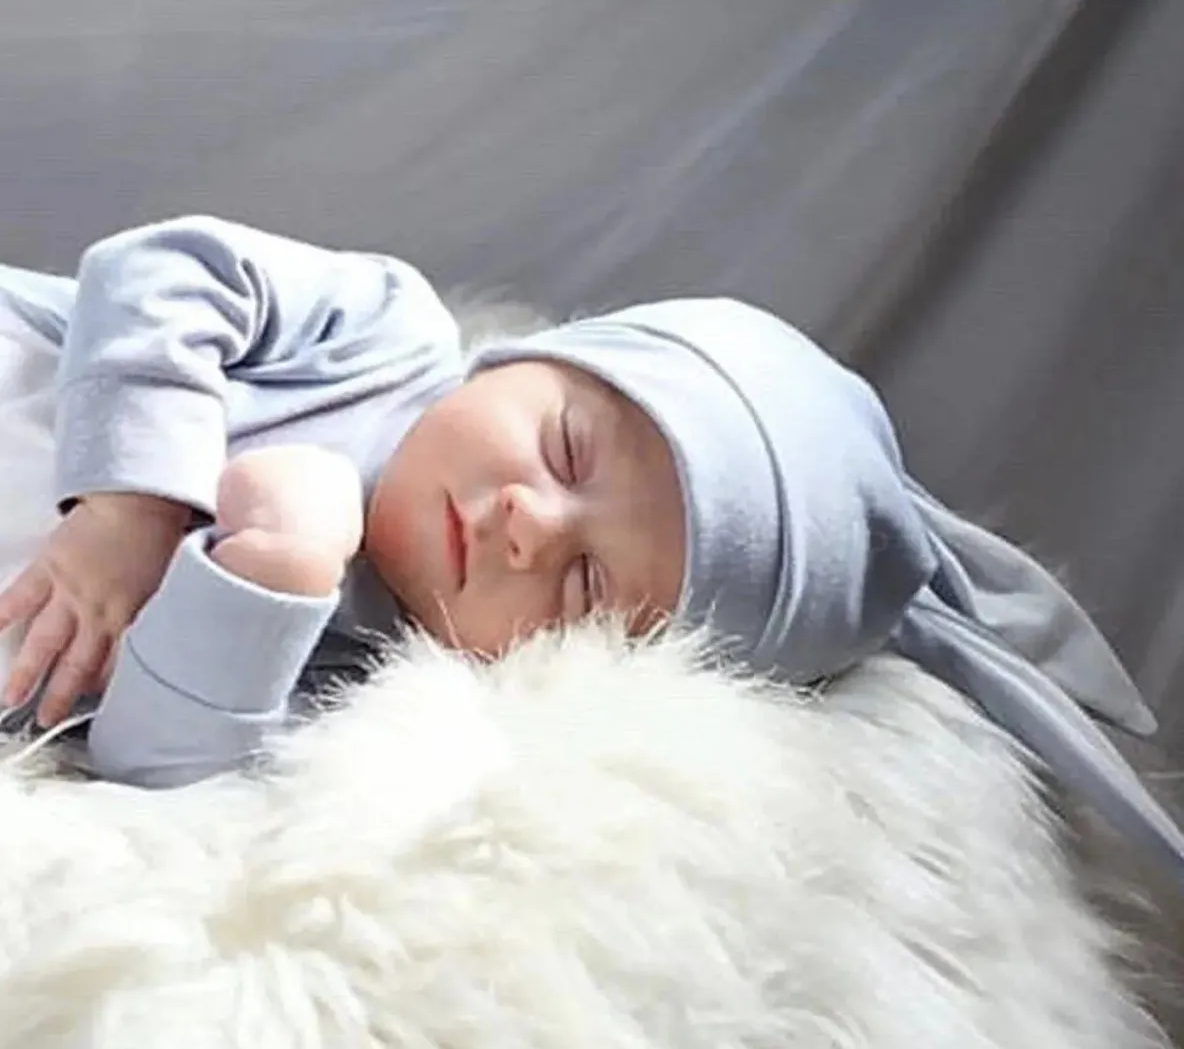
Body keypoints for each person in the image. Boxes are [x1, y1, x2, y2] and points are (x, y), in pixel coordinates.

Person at [0, 214, 1180, 888]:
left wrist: (271, 577)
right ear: (534, 359)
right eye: (564, 447)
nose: (528, 520)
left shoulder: (376, 680)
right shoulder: (381, 340)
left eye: (584, 583)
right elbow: (164, 266)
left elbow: (149, 775)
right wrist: (131, 507)